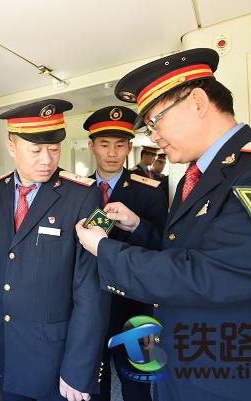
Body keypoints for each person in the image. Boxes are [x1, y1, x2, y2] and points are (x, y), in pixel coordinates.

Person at [75, 48, 251, 401]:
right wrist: (138, 226)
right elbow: (184, 251)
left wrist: (103, 248)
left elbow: (214, 274)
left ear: (197, 102)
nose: (153, 137)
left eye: (155, 122)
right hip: (187, 374)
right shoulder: (200, 176)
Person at [0, 99, 110, 401]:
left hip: (56, 353)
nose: (47, 160)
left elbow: (92, 290)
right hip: (7, 341)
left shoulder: (83, 195)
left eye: (54, 148)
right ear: (11, 147)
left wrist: (78, 367)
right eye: (35, 150)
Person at [84, 106, 168, 401]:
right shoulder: (77, 190)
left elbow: (162, 247)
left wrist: (138, 225)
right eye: (104, 144)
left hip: (136, 306)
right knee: (94, 384)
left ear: (129, 147)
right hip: (90, 304)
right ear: (91, 146)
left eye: (120, 145)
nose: (112, 153)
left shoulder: (150, 191)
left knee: (138, 385)